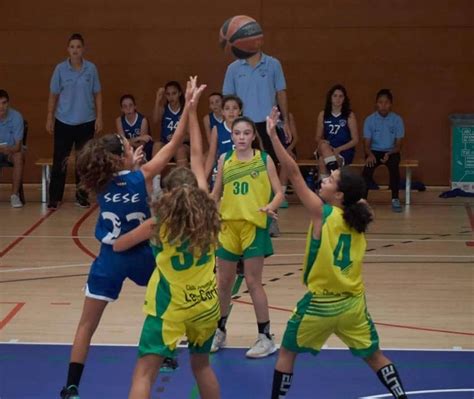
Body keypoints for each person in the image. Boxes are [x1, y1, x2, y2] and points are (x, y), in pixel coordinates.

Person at [58, 80, 194, 399]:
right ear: (122, 158)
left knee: (85, 326)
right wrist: (188, 106)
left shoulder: (100, 183)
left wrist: (128, 163)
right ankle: (168, 353)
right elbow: (174, 144)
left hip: (109, 259)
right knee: (167, 298)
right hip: (142, 254)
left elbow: (121, 180)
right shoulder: (141, 175)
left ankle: (71, 386)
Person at [266, 107, 408, 399]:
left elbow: (292, 171)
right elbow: (361, 204)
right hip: (353, 305)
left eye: (330, 180)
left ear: (339, 195)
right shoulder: (361, 216)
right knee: (375, 356)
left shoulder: (323, 213)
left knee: (287, 354)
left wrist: (272, 135)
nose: (324, 180)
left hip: (320, 304)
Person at [113, 78, 221, 399]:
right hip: (205, 304)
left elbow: (120, 244)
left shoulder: (159, 223)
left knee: (144, 372)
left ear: (168, 192)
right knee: (202, 367)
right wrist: (192, 107)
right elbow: (199, 156)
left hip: (169, 308)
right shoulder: (210, 212)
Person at [210, 115, 284, 358]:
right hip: (228, 227)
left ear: (253, 136)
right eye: (237, 133)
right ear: (231, 136)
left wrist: (271, 205)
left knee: (253, 282)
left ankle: (265, 337)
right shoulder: (224, 159)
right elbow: (216, 193)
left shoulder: (264, 159)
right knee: (223, 283)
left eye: (246, 133)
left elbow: (279, 192)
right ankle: (219, 330)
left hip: (254, 227)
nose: (241, 137)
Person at [46, 33, 103, 209]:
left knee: (83, 161)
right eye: (72, 47)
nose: (75, 50)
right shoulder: (60, 69)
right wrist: (49, 117)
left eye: (78, 47)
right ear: (68, 50)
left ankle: (82, 196)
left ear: (83, 49)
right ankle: (55, 197)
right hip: (63, 121)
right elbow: (53, 95)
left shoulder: (91, 69)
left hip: (86, 122)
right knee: (60, 160)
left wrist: (99, 116)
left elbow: (97, 93)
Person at [222, 50, 291, 163]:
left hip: (269, 124)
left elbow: (281, 93)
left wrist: (286, 121)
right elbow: (228, 99)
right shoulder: (233, 68)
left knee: (272, 162)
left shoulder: (273, 64)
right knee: (245, 162)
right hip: (243, 124)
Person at [362, 89, 405, 212]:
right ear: (376, 104)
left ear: (390, 104)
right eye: (380, 102)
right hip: (373, 151)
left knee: (394, 167)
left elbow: (399, 145)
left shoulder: (397, 120)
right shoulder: (369, 120)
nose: (383, 105)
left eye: (386, 102)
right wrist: (369, 154)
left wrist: (390, 153)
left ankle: (395, 199)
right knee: (367, 171)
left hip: (391, 152)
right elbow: (366, 144)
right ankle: (362, 201)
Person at [315, 84, 359, 182]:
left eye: (341, 96)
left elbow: (355, 140)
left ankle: (327, 188)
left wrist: (339, 149)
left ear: (344, 98)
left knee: (322, 161)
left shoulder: (349, 115)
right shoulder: (323, 114)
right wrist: (327, 146)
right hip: (328, 149)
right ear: (330, 98)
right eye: (335, 96)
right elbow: (317, 137)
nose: (337, 99)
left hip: (344, 150)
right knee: (323, 145)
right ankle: (335, 175)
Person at [204, 95, 242, 184]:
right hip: (222, 170)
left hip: (241, 169)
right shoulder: (217, 129)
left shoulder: (246, 127)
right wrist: (204, 178)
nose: (231, 111)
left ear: (240, 111)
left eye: (235, 108)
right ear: (222, 112)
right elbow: (211, 155)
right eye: (227, 108)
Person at [152, 81, 188, 166]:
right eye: (168, 94)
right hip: (166, 144)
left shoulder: (185, 110)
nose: (171, 97)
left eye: (174, 93)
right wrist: (158, 100)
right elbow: (155, 120)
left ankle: (182, 179)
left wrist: (177, 138)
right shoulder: (164, 109)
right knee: (157, 145)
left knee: (179, 149)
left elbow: (190, 136)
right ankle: (155, 178)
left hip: (182, 145)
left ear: (179, 93)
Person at [0, 89, 24, 208]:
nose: (1, 107)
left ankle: (14, 195)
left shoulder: (16, 117)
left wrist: (8, 149)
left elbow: (18, 146)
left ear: (8, 103)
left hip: (11, 151)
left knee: (19, 156)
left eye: (4, 103)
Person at [115, 94, 153, 161]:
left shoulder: (143, 120)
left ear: (135, 106)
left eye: (130, 105)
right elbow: (122, 142)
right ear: (121, 109)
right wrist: (139, 138)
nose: (128, 108)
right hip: (128, 149)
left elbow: (141, 145)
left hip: (143, 150)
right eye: (125, 106)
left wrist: (127, 141)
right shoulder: (119, 120)